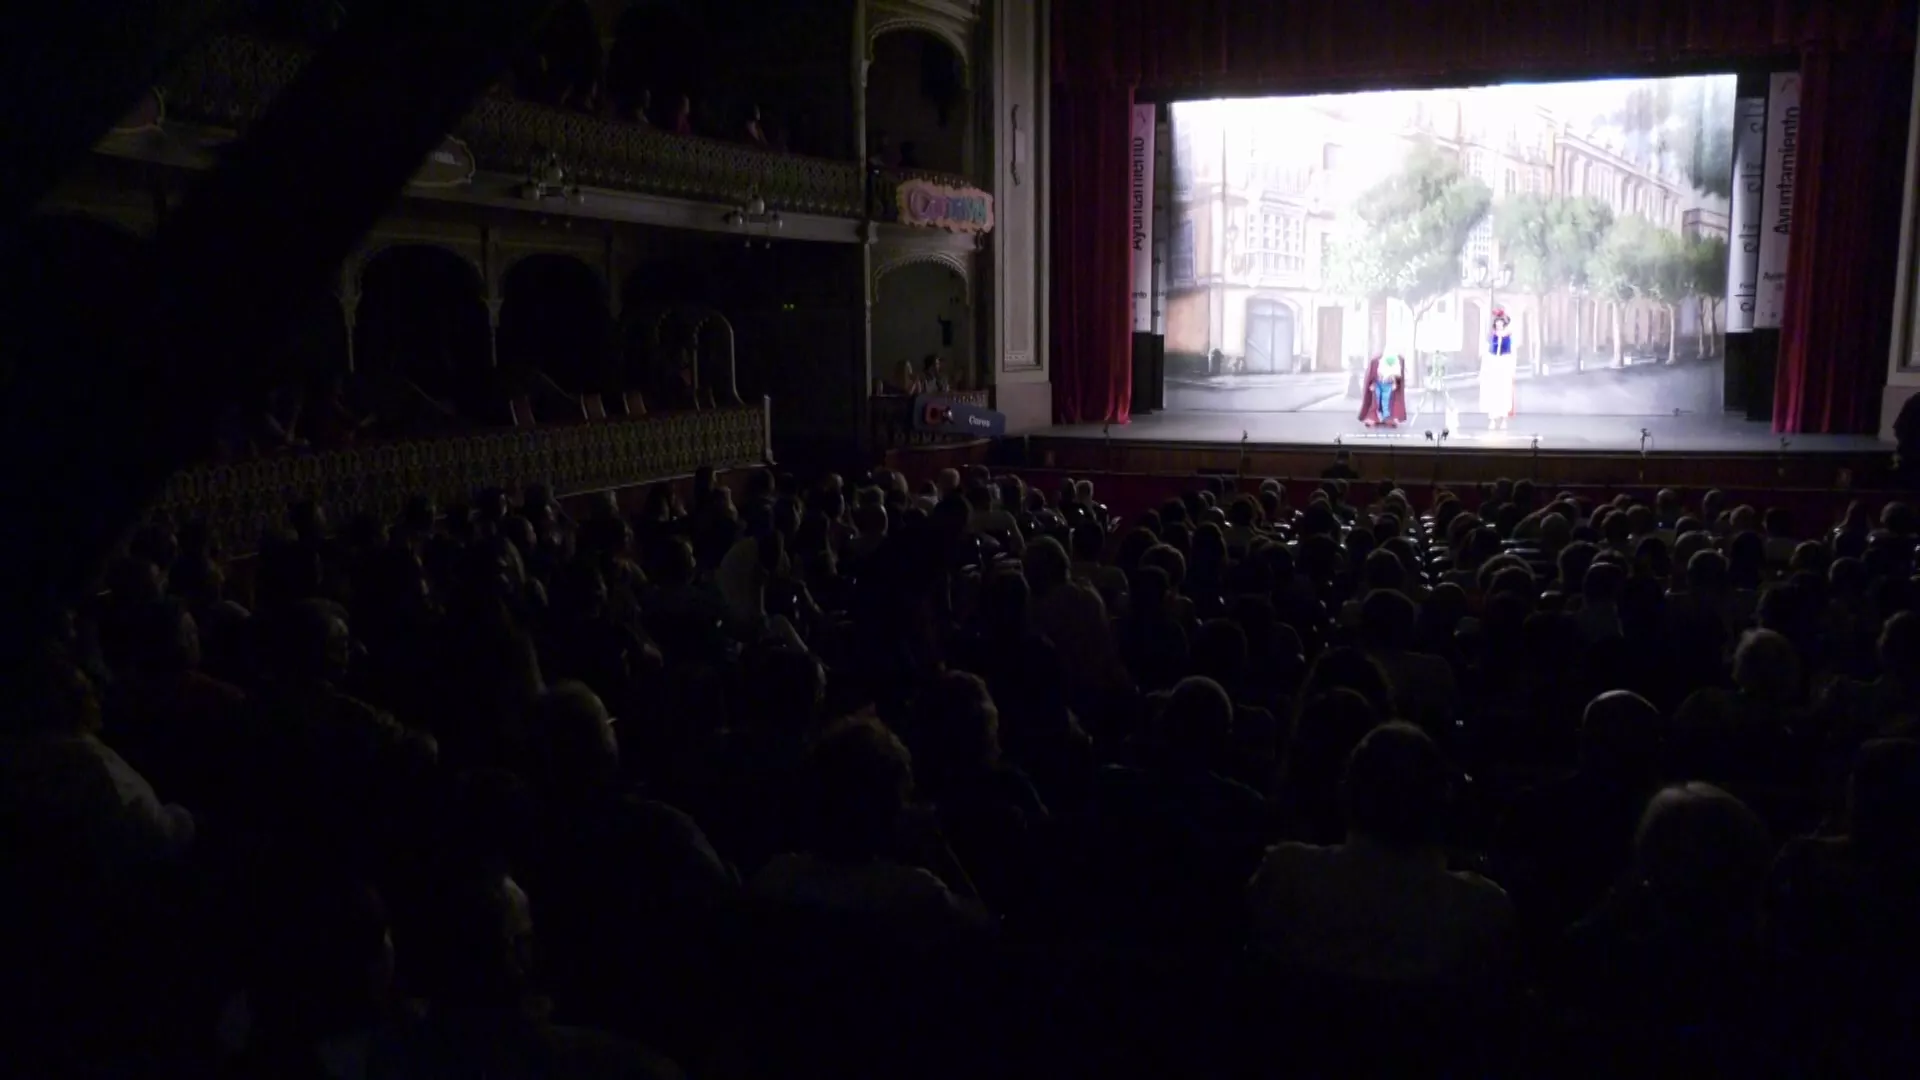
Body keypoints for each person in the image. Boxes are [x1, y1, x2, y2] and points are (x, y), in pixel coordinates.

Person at [1481, 308, 1516, 430]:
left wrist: (1512, 369)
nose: (1499, 324)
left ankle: (1504, 420)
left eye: (1501, 322)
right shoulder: (1491, 336)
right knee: (1493, 393)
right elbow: (1486, 352)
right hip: (1493, 364)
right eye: (1497, 322)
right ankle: (1492, 419)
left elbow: (1512, 353)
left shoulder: (1509, 337)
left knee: (1504, 393)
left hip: (1504, 364)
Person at [1357, 353, 1406, 428]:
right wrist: (1373, 383)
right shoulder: (1377, 362)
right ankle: (1373, 417)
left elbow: (1396, 376)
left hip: (1388, 385)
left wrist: (1394, 383)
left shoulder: (1394, 363)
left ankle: (1387, 417)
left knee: (1386, 401)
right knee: (1376, 401)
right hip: (1378, 383)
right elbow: (1373, 374)